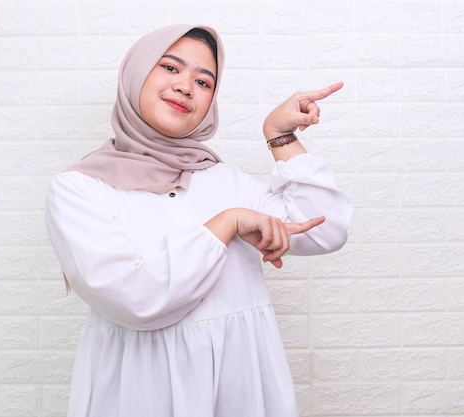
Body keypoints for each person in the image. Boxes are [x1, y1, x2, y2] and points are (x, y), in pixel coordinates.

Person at [44, 24, 352, 417]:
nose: (186, 86)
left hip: (238, 389)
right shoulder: (79, 189)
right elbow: (137, 299)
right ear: (134, 74)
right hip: (141, 394)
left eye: (204, 81)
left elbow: (324, 229)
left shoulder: (223, 179)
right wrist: (226, 224)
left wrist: (280, 135)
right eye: (170, 68)